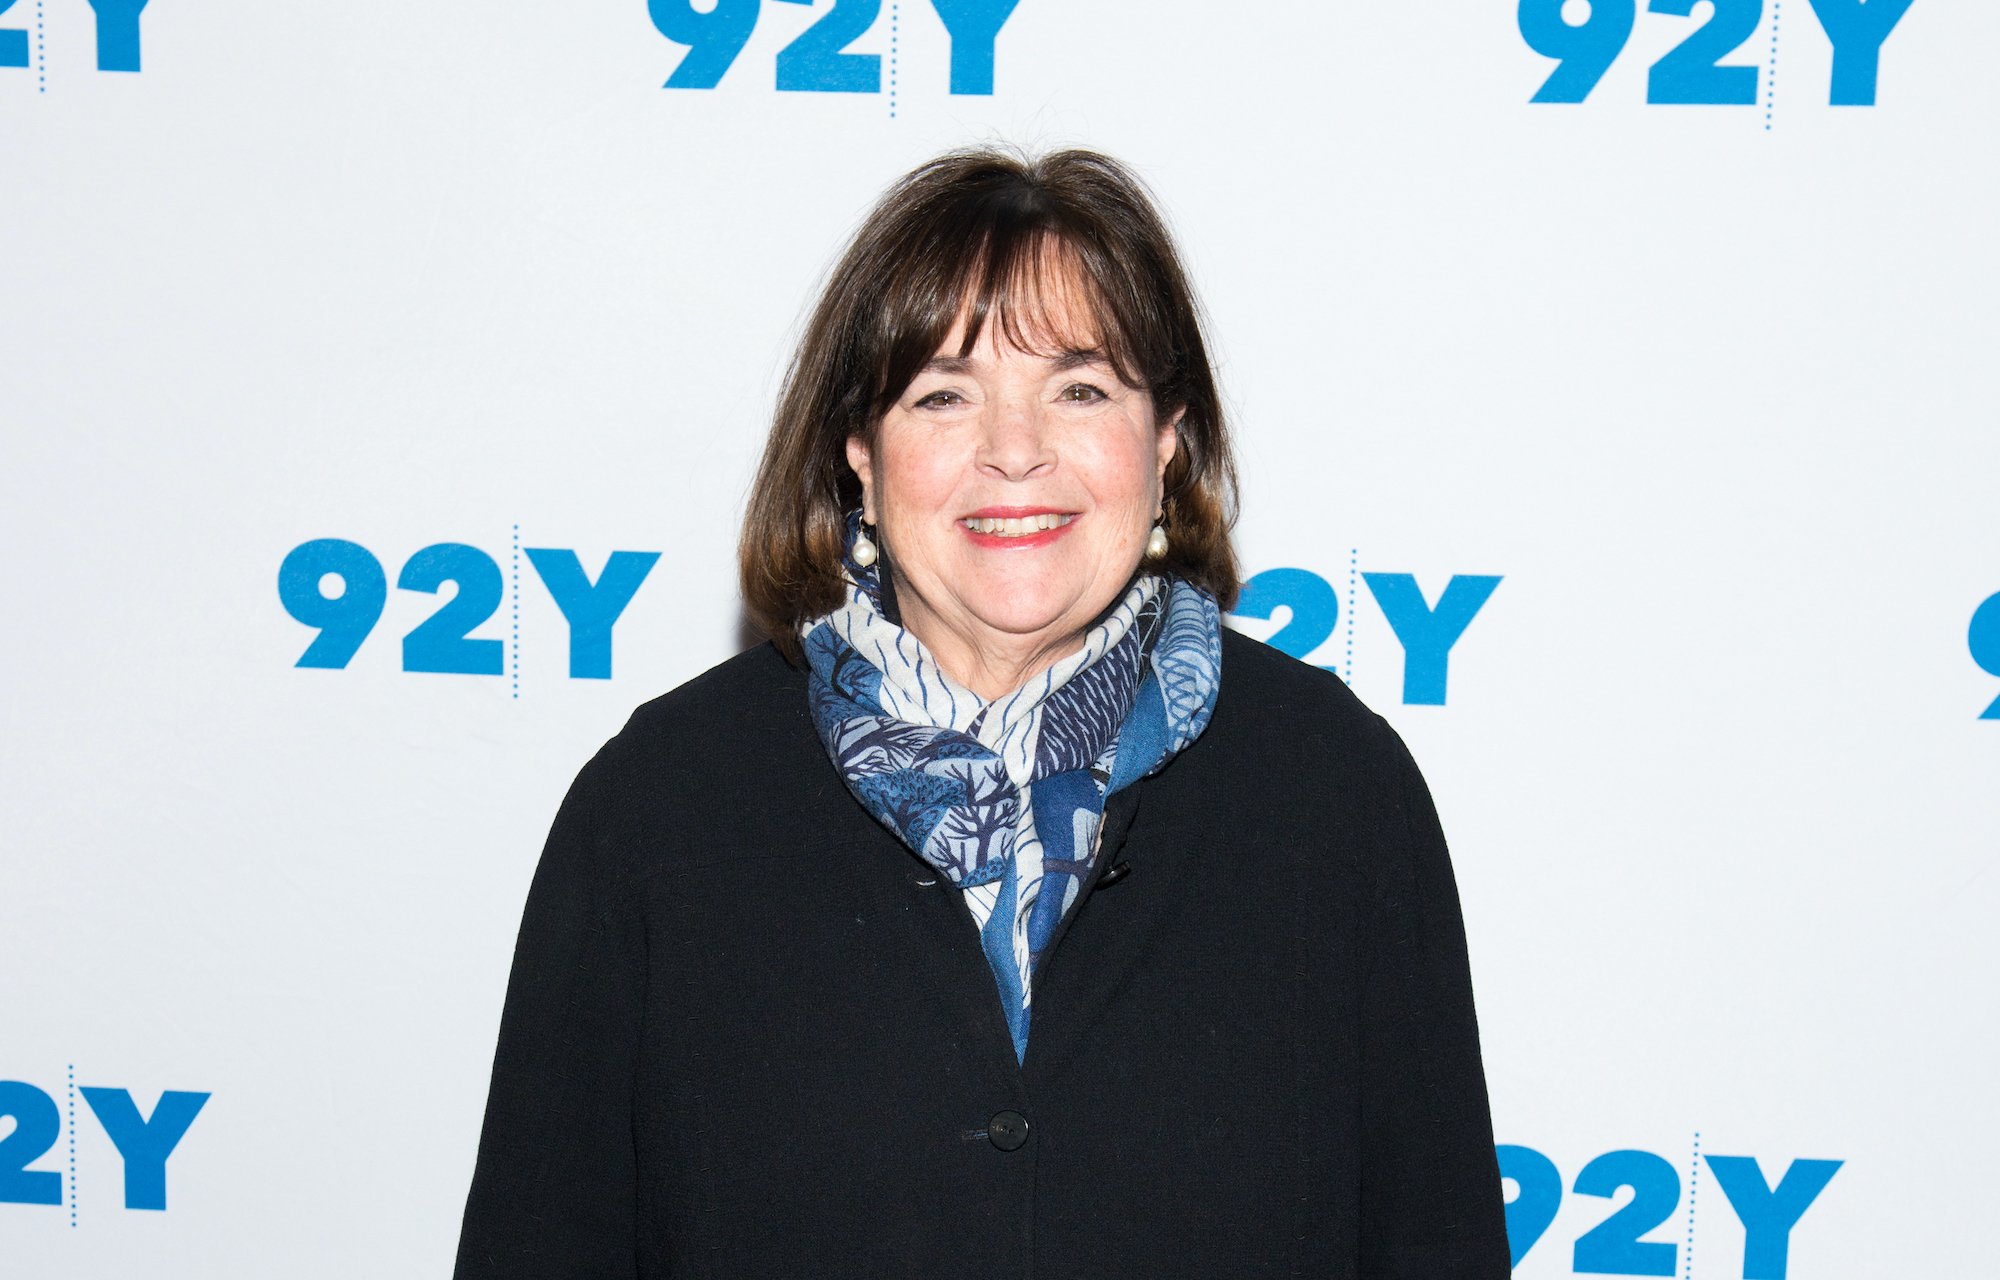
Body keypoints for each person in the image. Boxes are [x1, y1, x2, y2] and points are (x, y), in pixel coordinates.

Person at [453, 146, 1510, 1278]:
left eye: (1080, 388)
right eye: (944, 394)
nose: (1015, 451)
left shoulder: (1336, 794)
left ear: (1164, 439)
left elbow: (1431, 1239)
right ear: (858, 450)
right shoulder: (659, 809)